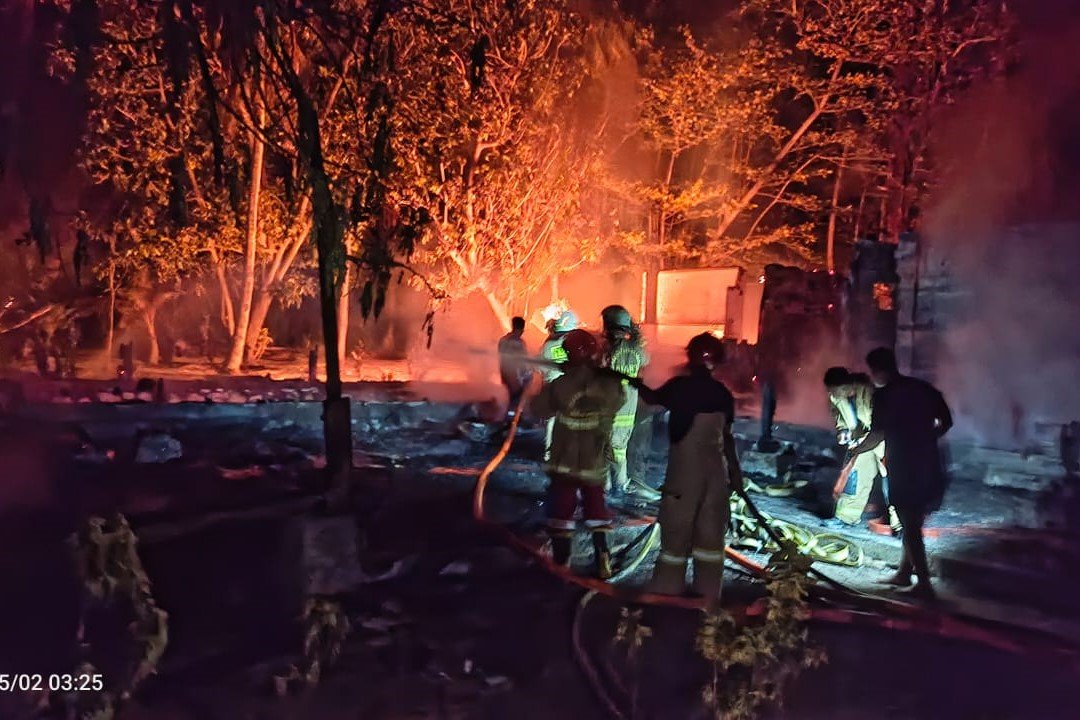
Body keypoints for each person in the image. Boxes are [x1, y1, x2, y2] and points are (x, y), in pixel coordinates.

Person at [630, 333, 743, 608]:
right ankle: (708, 597)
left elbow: (654, 398)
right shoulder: (722, 394)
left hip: (685, 473)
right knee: (710, 535)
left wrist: (635, 384)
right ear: (716, 363)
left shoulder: (680, 386)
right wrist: (736, 475)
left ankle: (668, 591)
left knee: (676, 531)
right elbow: (727, 437)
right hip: (717, 474)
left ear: (690, 358)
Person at [849, 347, 952, 600]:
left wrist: (855, 450)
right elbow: (947, 421)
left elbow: (876, 435)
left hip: (904, 464)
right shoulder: (923, 389)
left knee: (910, 521)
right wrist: (927, 438)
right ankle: (905, 572)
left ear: (877, 371)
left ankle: (925, 583)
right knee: (912, 520)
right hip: (929, 462)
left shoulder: (885, 396)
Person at [530, 329, 625, 580]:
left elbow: (538, 408)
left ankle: (562, 563)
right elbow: (619, 401)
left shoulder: (560, 385)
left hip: (565, 460)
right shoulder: (608, 384)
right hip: (594, 458)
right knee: (596, 505)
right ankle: (603, 557)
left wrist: (563, 383)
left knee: (562, 509)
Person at [823, 366, 894, 530]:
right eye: (830, 391)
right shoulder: (836, 397)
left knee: (891, 480)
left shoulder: (871, 391)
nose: (833, 395)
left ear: (846, 386)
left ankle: (900, 523)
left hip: (882, 439)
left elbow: (882, 424)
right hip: (860, 442)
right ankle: (846, 517)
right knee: (854, 479)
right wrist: (842, 431)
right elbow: (839, 417)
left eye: (836, 391)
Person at [600, 305, 649, 496]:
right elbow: (645, 362)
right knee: (620, 448)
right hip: (628, 409)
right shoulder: (637, 349)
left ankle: (607, 488)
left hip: (610, 408)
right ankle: (620, 484)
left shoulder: (607, 350)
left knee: (603, 448)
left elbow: (599, 373)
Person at [539, 310, 580, 461]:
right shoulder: (575, 345)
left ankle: (548, 453)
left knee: (551, 421)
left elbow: (540, 367)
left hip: (551, 387)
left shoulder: (548, 344)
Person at [497, 316, 531, 420]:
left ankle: (508, 417)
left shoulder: (503, 340)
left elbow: (500, 356)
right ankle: (512, 420)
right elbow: (523, 361)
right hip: (515, 375)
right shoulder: (519, 343)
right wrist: (526, 374)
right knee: (516, 398)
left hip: (505, 373)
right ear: (521, 329)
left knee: (510, 396)